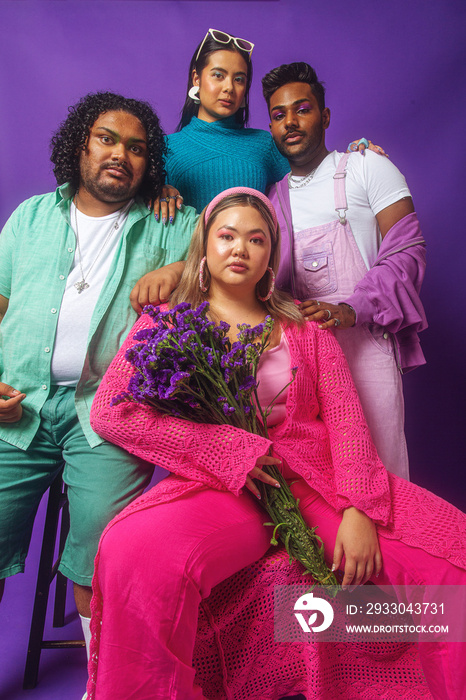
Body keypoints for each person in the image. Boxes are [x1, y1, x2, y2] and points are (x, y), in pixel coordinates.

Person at [86, 188, 464, 700]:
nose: (239, 247)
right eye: (227, 235)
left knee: (449, 573)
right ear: (205, 245)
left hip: (316, 488)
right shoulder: (164, 326)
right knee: (132, 550)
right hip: (221, 491)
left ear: (270, 257)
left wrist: (358, 511)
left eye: (255, 238)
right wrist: (220, 449)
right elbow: (111, 410)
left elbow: (347, 424)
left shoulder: (305, 331)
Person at [0, 92, 197, 658]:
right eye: (107, 139)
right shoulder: (31, 217)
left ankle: (102, 684)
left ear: (150, 163)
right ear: (79, 145)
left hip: (109, 416)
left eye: (137, 148)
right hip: (18, 408)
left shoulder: (172, 224)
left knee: (103, 557)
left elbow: (238, 243)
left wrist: (183, 267)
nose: (120, 155)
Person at [263, 62, 427, 479]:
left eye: (302, 109)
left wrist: (351, 308)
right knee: (315, 484)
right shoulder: (272, 200)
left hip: (366, 346)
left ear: (325, 115)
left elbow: (407, 252)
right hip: (302, 361)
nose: (291, 122)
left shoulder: (367, 167)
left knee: (380, 475)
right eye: (279, 115)